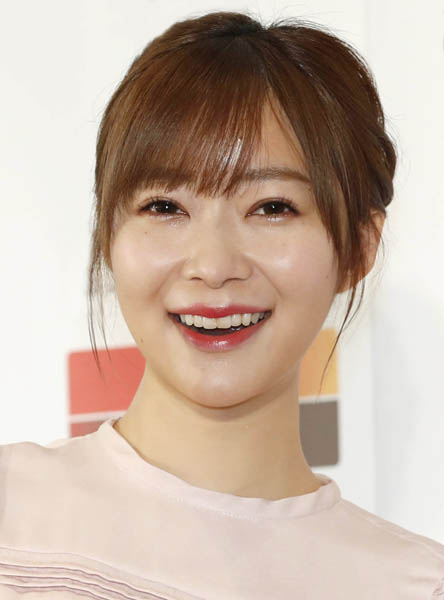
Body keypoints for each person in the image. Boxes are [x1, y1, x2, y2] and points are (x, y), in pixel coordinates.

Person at [1, 10, 443, 600]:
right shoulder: (13, 513)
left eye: (272, 207)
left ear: (359, 247)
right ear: (107, 235)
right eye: (164, 206)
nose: (212, 265)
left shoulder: (413, 585)